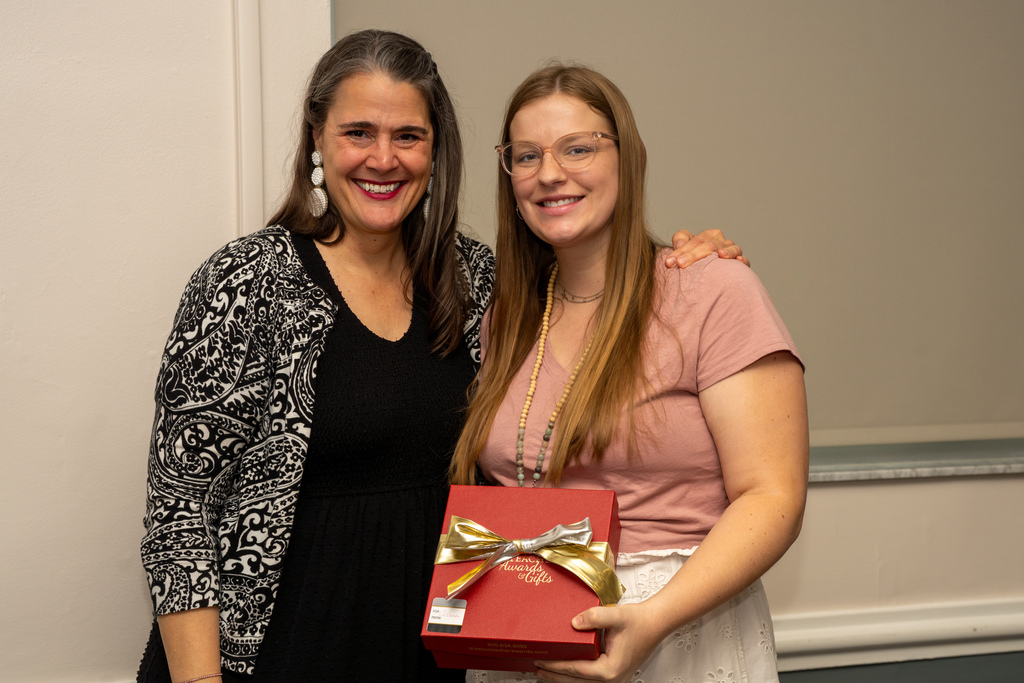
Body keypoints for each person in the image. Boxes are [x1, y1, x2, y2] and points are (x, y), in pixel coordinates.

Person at [137, 31, 745, 683]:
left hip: (439, 650)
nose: (383, 158)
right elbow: (179, 510)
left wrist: (687, 255)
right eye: (358, 132)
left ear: (436, 151)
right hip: (279, 650)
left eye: (408, 136)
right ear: (317, 139)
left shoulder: (478, 281)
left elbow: (591, 277)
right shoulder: (247, 282)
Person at [451, 64, 808, 683]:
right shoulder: (506, 315)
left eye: (578, 148)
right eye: (527, 155)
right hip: (525, 637)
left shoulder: (714, 291)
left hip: (673, 631)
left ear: (628, 158)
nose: (550, 173)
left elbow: (773, 496)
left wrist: (652, 617)